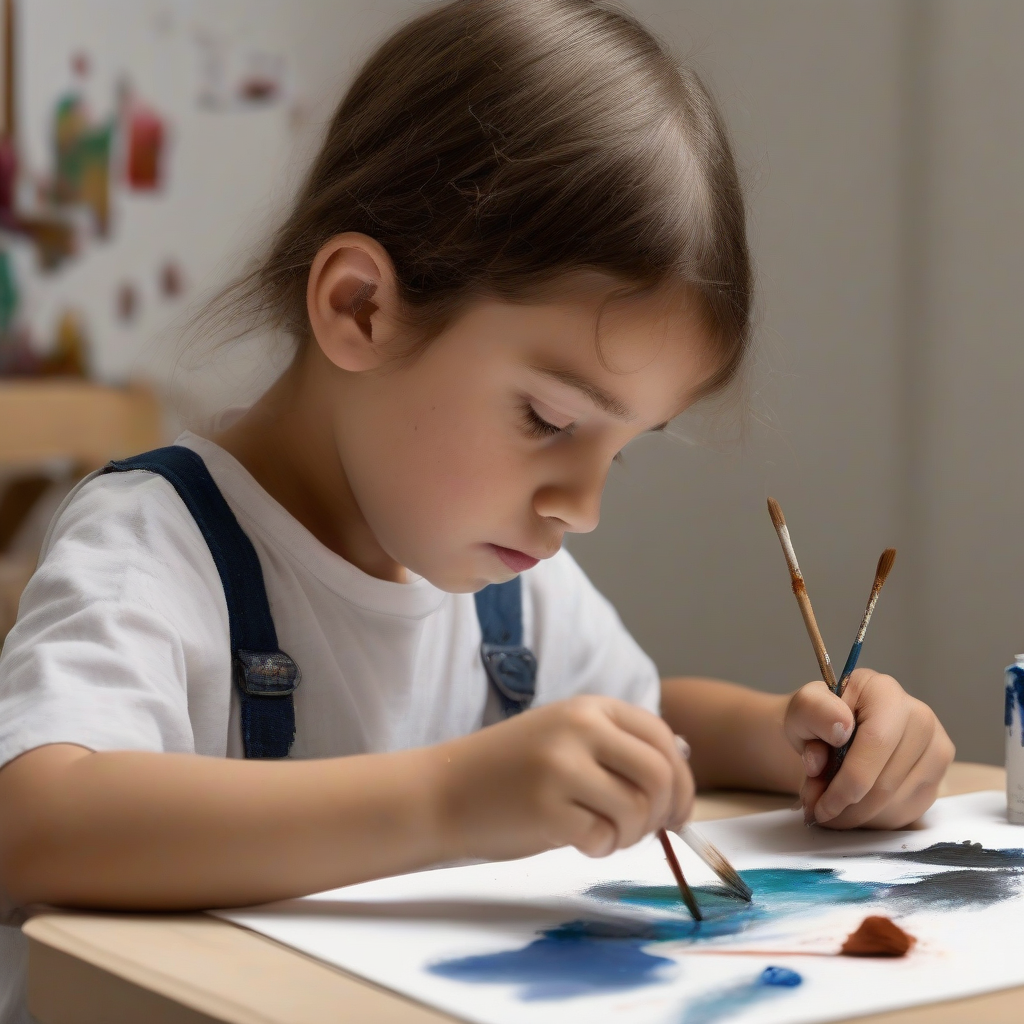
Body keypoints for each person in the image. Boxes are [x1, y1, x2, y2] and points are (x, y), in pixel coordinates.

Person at [0, 1, 953, 1018]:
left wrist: (791, 741)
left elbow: (639, 717)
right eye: (546, 419)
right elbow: (36, 818)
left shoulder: (496, 575)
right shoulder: (156, 544)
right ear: (360, 308)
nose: (580, 507)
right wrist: (448, 800)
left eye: (618, 453)